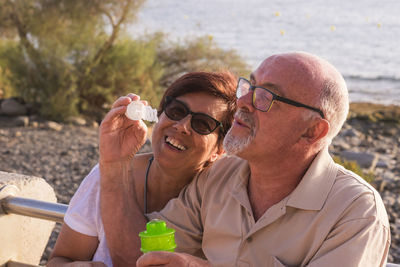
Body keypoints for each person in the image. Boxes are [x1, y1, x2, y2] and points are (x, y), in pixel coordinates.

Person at [100, 51, 391, 267]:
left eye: (265, 96)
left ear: (313, 130)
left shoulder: (355, 211)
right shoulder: (219, 176)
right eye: (249, 87)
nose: (242, 102)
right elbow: (138, 258)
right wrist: (114, 164)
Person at [47, 71, 238, 267]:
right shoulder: (103, 175)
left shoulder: (222, 199)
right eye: (176, 111)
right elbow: (59, 260)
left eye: (202, 124)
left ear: (220, 149)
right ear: (159, 115)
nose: (182, 126)